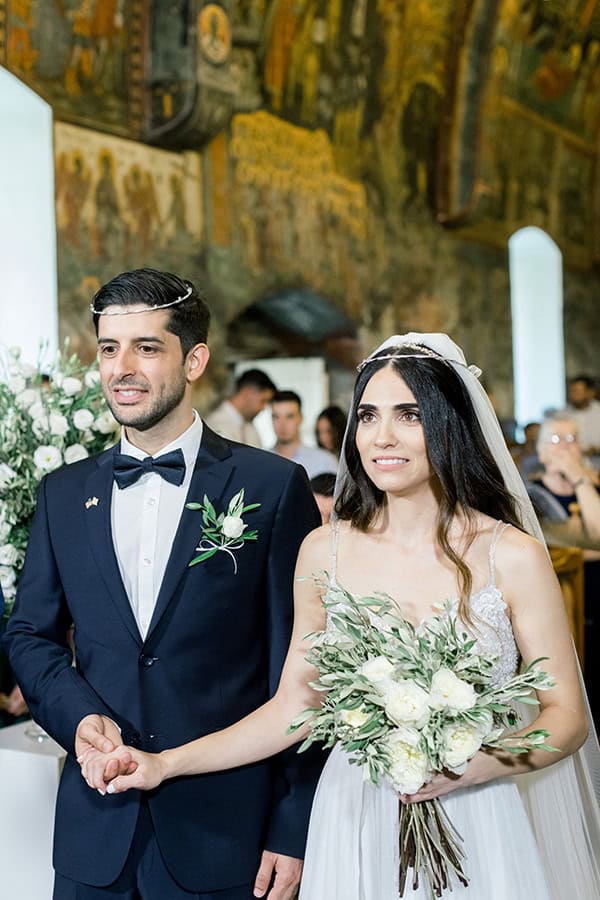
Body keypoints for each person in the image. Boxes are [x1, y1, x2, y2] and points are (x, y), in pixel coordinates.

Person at [78, 333, 600, 898]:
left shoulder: (510, 555)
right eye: (368, 415)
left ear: (449, 424)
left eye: (409, 415)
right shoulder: (323, 551)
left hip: (479, 811)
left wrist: (474, 765)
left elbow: (566, 716)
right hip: (355, 815)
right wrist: (164, 764)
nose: (382, 438)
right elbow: (294, 710)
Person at [3, 267, 323, 900]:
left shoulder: (269, 487)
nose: (124, 367)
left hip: (226, 834)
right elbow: (30, 635)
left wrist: (292, 825)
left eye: (147, 347)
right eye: (109, 348)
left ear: (194, 358)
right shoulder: (63, 493)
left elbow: (303, 671)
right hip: (95, 834)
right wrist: (80, 717)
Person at [527, 412, 600, 728]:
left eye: (572, 439)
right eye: (555, 440)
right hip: (559, 602)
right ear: (541, 453)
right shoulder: (531, 495)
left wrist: (581, 481)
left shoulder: (594, 487)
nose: (565, 448)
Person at [271, 390, 337, 479]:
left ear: (301, 418)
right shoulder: (261, 461)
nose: (282, 424)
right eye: (276, 417)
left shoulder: (325, 462)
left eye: (289, 416)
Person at [206, 368, 276, 448]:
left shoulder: (250, 428)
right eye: (263, 401)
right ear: (247, 392)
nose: (264, 408)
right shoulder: (214, 424)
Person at [567, 374, 600, 457]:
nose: (573, 395)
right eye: (571, 391)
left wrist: (596, 449)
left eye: (577, 391)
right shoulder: (562, 415)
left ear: (590, 392)